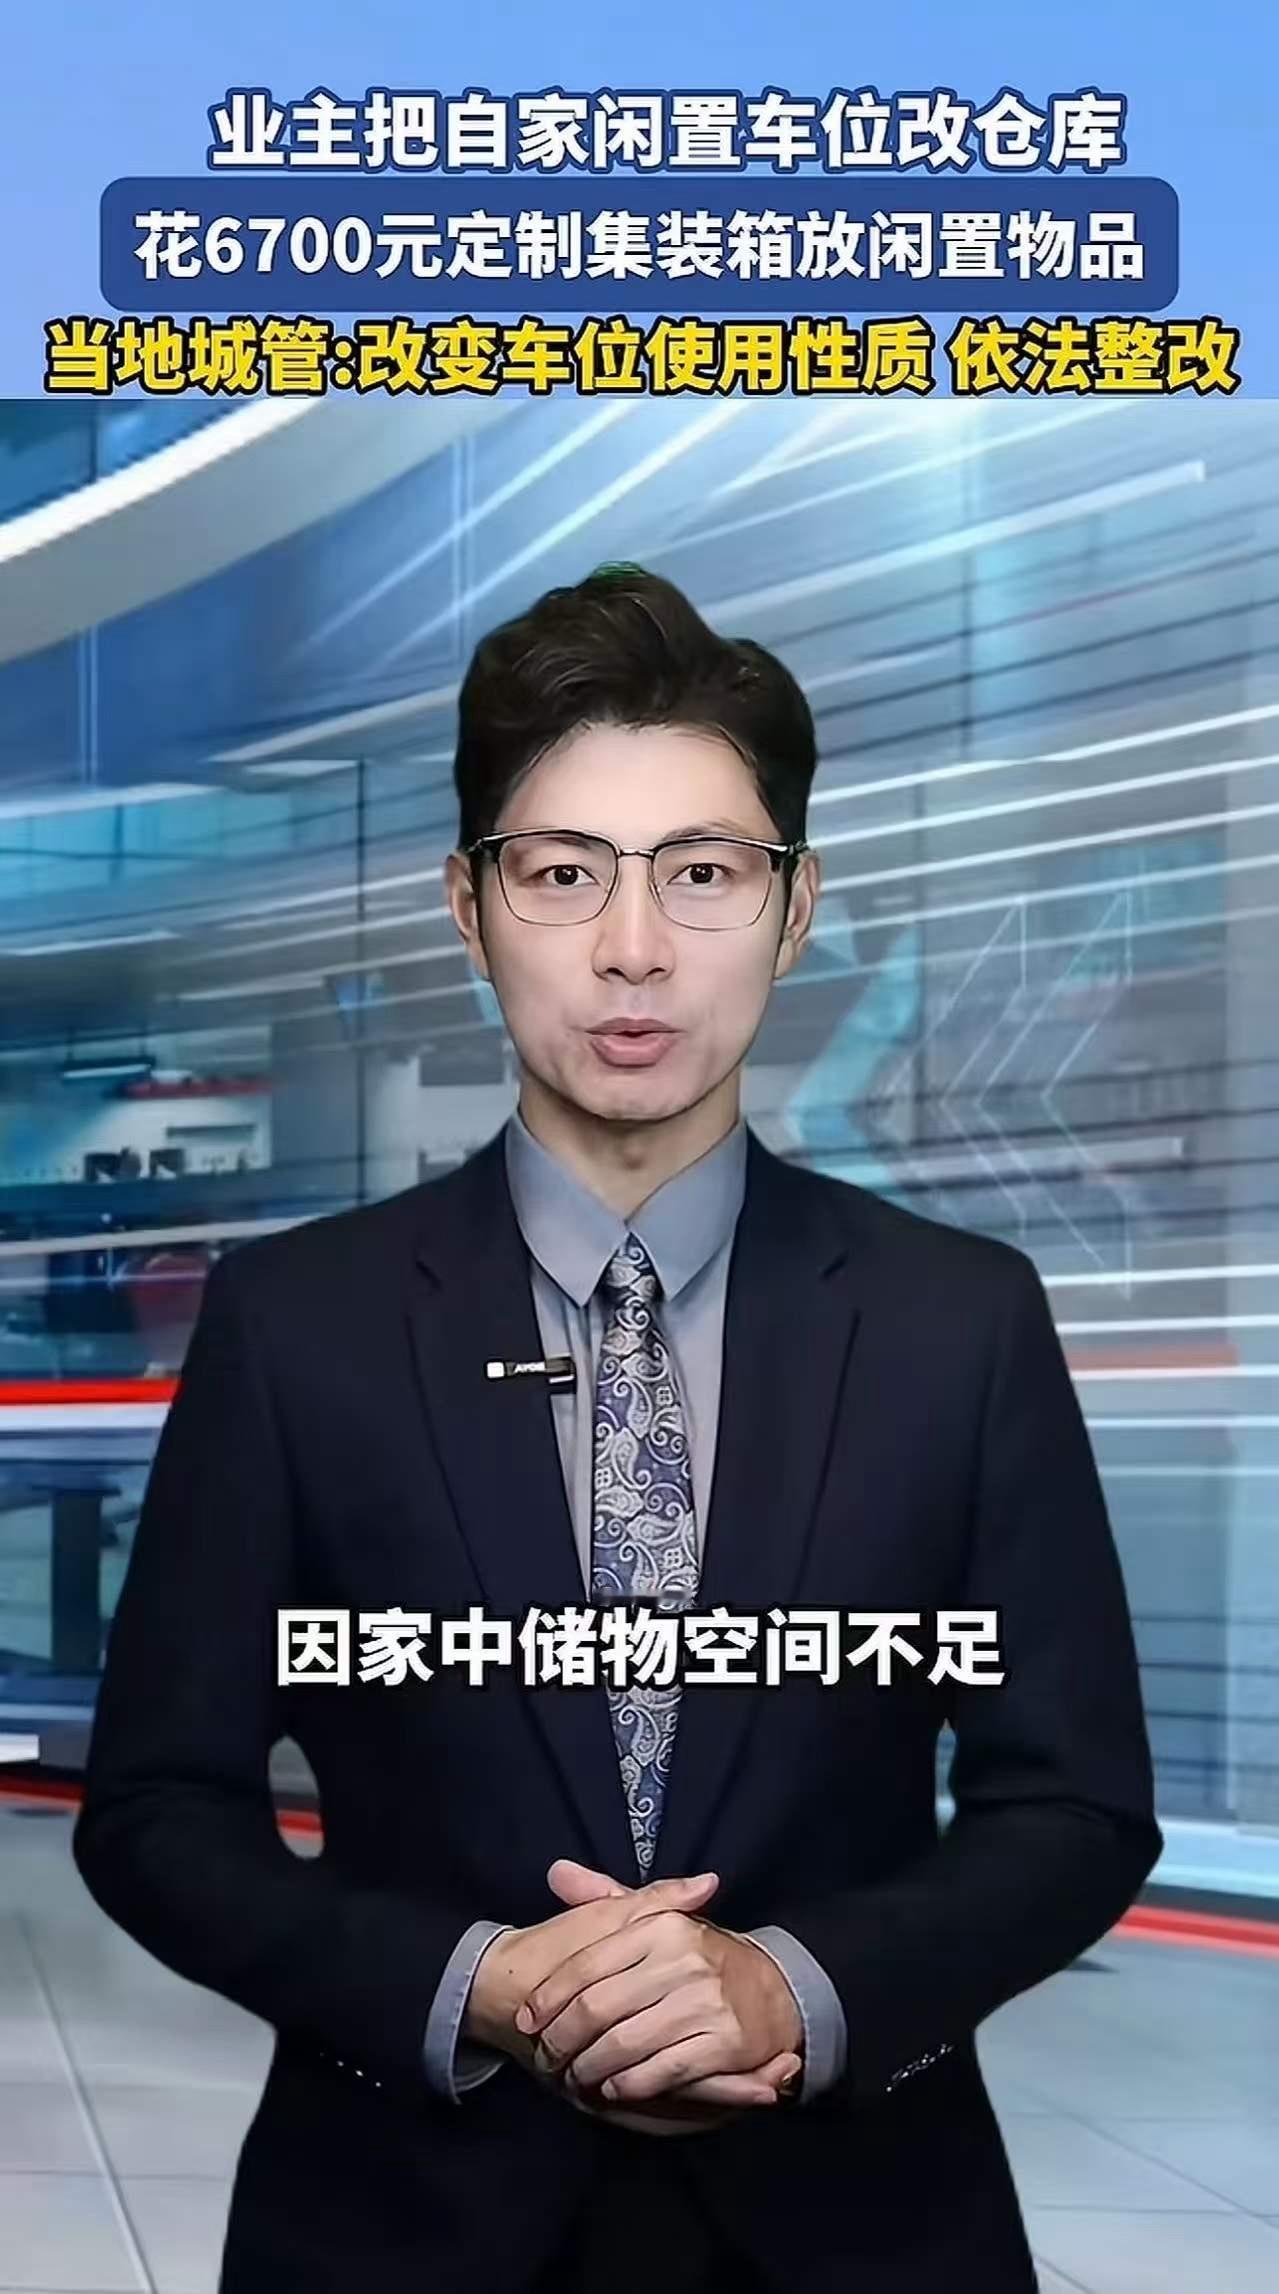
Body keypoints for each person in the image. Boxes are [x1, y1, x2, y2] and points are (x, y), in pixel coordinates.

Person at [73, 565, 1163, 2293]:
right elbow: (156, 1805)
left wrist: (791, 1986)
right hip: (399, 2224)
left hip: (861, 2227)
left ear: (794, 911)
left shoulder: (961, 1320)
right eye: (563, 871)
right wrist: (479, 1979)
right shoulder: (297, 1323)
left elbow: (1077, 1803)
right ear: (469, 904)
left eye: (704, 872)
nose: (634, 946)